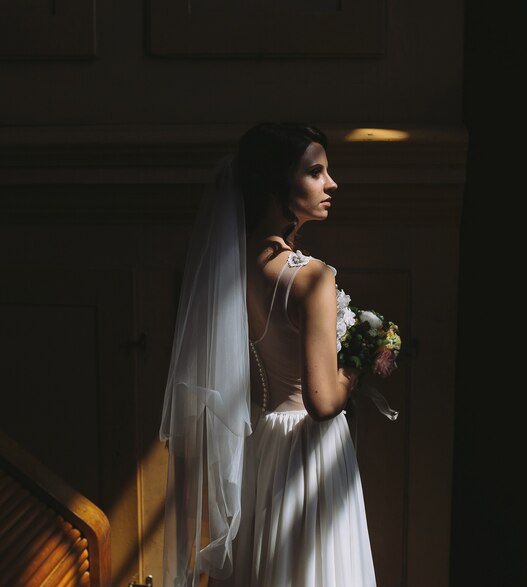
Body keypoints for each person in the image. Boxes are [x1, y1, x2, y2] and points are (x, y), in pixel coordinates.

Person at [160, 123, 376, 587]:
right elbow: (322, 403)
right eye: (316, 172)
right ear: (279, 183)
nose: (331, 184)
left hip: (261, 443)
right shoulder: (312, 278)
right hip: (308, 453)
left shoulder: (225, 268)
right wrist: (361, 361)